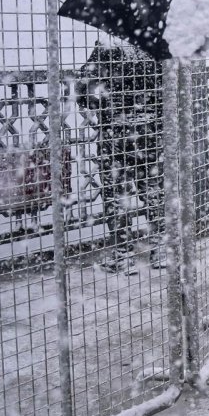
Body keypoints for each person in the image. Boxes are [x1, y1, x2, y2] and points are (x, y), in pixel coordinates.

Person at [76, 41, 165, 275]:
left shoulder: (107, 48)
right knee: (153, 189)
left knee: (117, 193)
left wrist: (100, 103)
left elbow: (83, 89)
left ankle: (123, 255)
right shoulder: (156, 47)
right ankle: (161, 248)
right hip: (149, 132)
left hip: (115, 132)